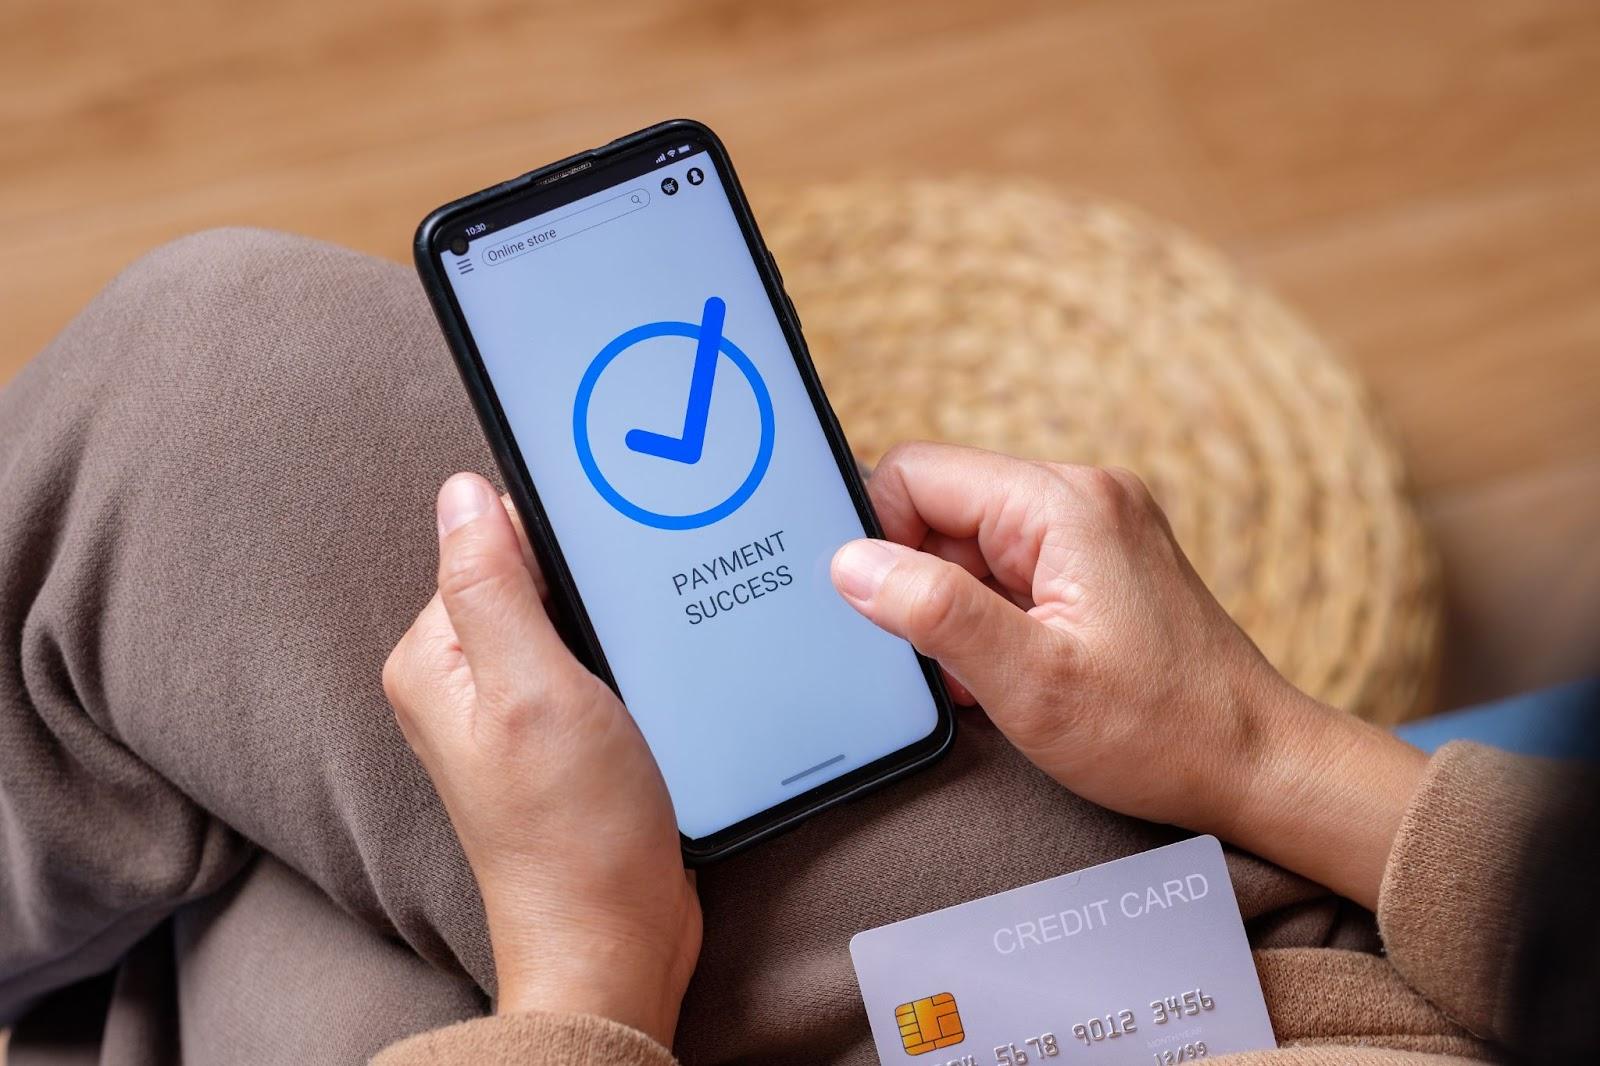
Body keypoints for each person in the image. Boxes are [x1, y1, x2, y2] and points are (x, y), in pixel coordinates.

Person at [0, 229, 1578, 1065]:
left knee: (244, 909)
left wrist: (584, 977)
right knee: (207, 396)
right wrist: (1268, 751)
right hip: (1298, 1000)